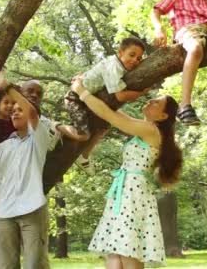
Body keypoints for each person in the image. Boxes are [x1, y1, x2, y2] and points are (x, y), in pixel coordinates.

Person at [71, 76, 183, 269]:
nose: (150, 101)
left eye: (156, 102)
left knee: (128, 249)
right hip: (125, 191)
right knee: (114, 251)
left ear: (163, 116)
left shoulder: (150, 130)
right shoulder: (145, 128)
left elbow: (110, 116)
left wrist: (82, 92)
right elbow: (114, 113)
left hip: (133, 193)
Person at [0, 75, 77, 269]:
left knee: (35, 264)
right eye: (13, 111)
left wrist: (6, 86)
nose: (15, 113)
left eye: (20, 110)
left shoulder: (38, 137)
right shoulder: (3, 146)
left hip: (32, 210)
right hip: (5, 213)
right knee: (6, 265)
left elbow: (32, 113)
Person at [65, 37, 149, 175]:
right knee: (83, 133)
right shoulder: (114, 67)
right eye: (132, 55)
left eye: (139, 58)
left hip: (88, 97)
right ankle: (55, 128)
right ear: (120, 52)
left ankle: (84, 156)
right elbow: (120, 96)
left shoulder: (120, 65)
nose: (135, 60)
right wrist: (141, 92)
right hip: (75, 98)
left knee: (103, 126)